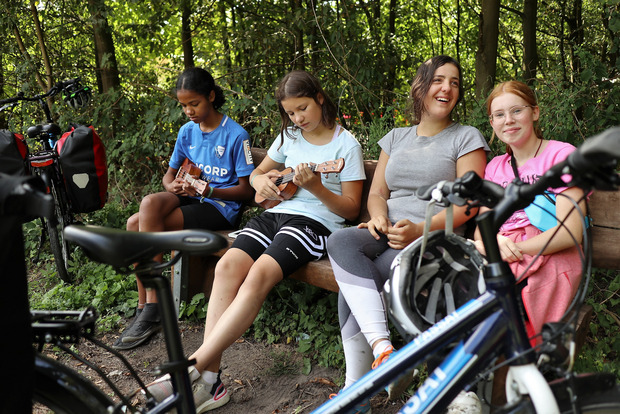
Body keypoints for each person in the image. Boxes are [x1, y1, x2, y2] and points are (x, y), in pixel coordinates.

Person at [144, 70, 366, 412]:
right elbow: (258, 174)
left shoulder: (345, 145)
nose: (298, 119)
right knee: (228, 265)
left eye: (303, 109)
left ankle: (192, 366)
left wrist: (318, 187)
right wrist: (263, 181)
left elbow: (351, 210)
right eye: (291, 113)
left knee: (259, 274)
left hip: (315, 223)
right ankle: (210, 382)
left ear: (320, 98)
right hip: (276, 214)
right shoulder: (290, 135)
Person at [326, 55, 489, 413]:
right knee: (340, 242)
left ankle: (357, 389)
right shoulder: (396, 137)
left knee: (367, 275)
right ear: (421, 86)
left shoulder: (465, 137)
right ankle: (384, 352)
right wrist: (378, 218)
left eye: (455, 83)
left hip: (434, 238)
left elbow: (469, 204)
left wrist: (419, 229)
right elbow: (377, 192)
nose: (447, 88)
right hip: (387, 232)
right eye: (439, 80)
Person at [112, 67, 255, 350]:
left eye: (194, 103)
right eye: (183, 106)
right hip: (190, 198)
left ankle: (150, 309)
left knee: (135, 228)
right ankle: (147, 307)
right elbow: (168, 177)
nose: (188, 111)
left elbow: (246, 191)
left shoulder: (236, 135)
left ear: (211, 97)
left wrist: (210, 189)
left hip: (220, 206)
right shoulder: (187, 132)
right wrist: (173, 187)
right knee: (146, 207)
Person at [474, 80, 586, 344]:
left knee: (506, 304)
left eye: (517, 111)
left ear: (534, 112)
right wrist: (497, 241)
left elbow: (570, 232)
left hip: (550, 252)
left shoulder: (561, 155)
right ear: (491, 123)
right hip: (503, 250)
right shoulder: (494, 167)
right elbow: (482, 227)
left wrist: (516, 250)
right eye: (499, 115)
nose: (508, 120)